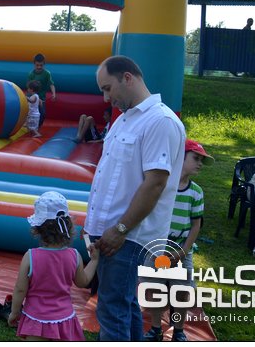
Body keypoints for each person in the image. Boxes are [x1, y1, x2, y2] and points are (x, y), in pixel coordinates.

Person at [83, 55, 186, 341]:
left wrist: (121, 229)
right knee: (123, 305)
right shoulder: (124, 120)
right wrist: (94, 224)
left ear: (127, 78)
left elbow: (155, 183)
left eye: (108, 88)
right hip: (113, 232)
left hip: (130, 235)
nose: (106, 98)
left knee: (111, 309)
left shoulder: (160, 121)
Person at [142, 139, 211, 342]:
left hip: (181, 249)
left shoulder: (196, 192)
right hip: (156, 248)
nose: (200, 164)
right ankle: (156, 328)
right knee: (154, 289)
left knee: (181, 291)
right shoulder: (162, 185)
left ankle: (179, 330)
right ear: (180, 157)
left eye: (201, 160)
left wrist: (183, 251)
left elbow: (196, 225)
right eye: (196, 158)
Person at [8, 191, 99, 340]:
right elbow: (83, 282)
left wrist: (15, 312)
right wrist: (94, 261)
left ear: (38, 229)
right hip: (64, 320)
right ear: (68, 225)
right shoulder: (74, 255)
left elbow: (20, 289)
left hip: (36, 319)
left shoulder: (30, 257)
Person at [27, 53, 56, 129]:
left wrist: (53, 94)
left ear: (44, 64)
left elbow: (51, 84)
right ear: (34, 64)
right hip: (32, 97)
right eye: (37, 65)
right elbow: (29, 87)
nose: (39, 67)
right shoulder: (31, 74)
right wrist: (33, 98)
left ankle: (37, 127)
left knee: (42, 114)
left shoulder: (46, 74)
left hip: (42, 98)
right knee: (30, 113)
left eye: (41, 65)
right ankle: (30, 127)